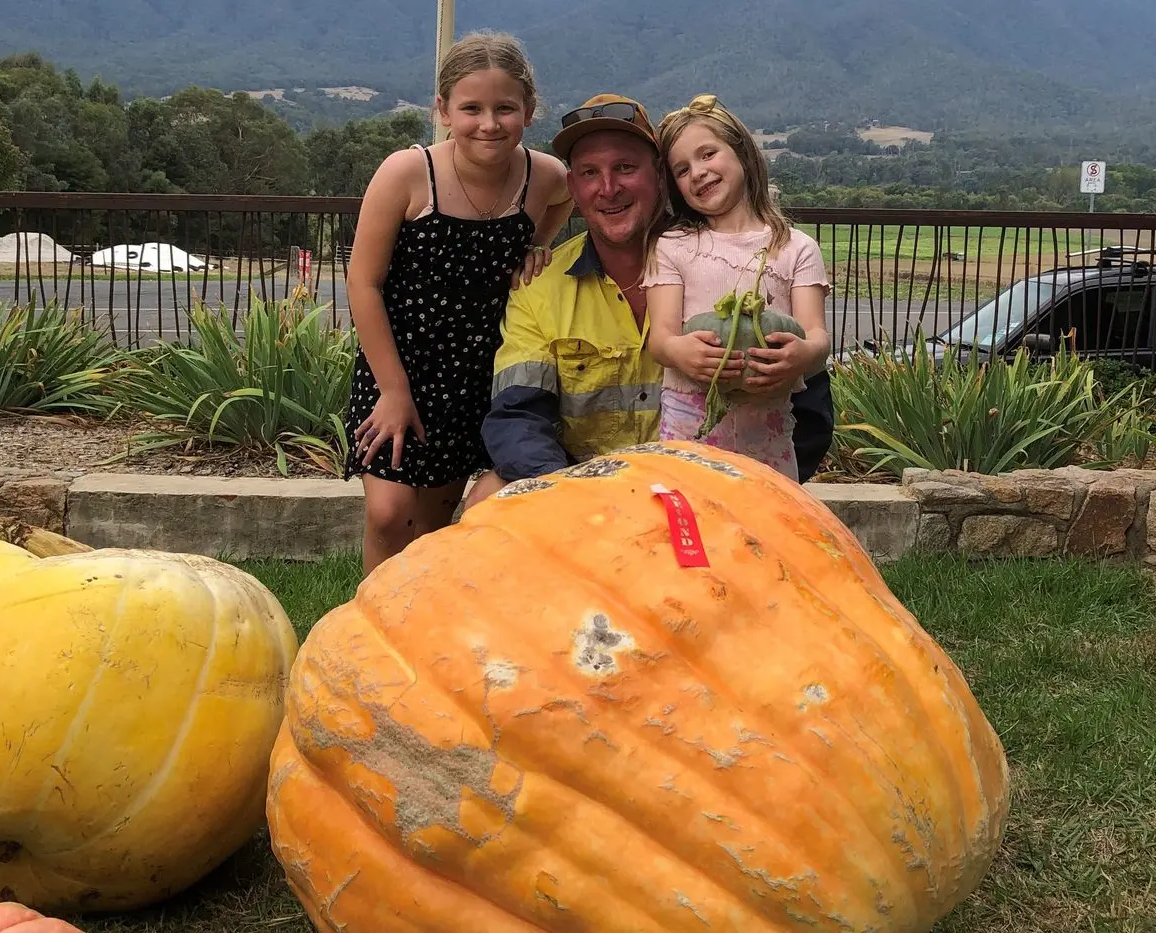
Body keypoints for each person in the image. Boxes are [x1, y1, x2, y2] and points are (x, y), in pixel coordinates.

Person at [465, 93, 833, 508]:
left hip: (713, 484)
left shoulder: (732, 263)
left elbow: (809, 403)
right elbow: (519, 417)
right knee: (490, 495)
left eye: (625, 168)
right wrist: (573, 499)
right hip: (588, 489)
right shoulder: (539, 287)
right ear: (573, 188)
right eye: (589, 172)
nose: (608, 188)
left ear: (659, 177)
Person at [342, 30, 573, 576]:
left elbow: (567, 200)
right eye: (471, 108)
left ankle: (419, 627)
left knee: (430, 524)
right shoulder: (407, 173)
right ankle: (367, 624)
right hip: (401, 366)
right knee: (387, 512)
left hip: (478, 369)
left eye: (505, 108)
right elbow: (363, 284)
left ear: (529, 111)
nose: (488, 123)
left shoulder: (543, 176)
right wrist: (393, 391)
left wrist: (539, 242)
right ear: (443, 109)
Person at [643, 94, 832, 479]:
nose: (697, 172)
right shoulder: (672, 247)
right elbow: (659, 338)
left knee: (764, 530)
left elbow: (817, 337)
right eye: (681, 169)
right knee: (694, 530)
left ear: (742, 153)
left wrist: (803, 355)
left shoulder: (796, 248)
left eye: (708, 154)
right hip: (688, 434)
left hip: (769, 434)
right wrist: (680, 351)